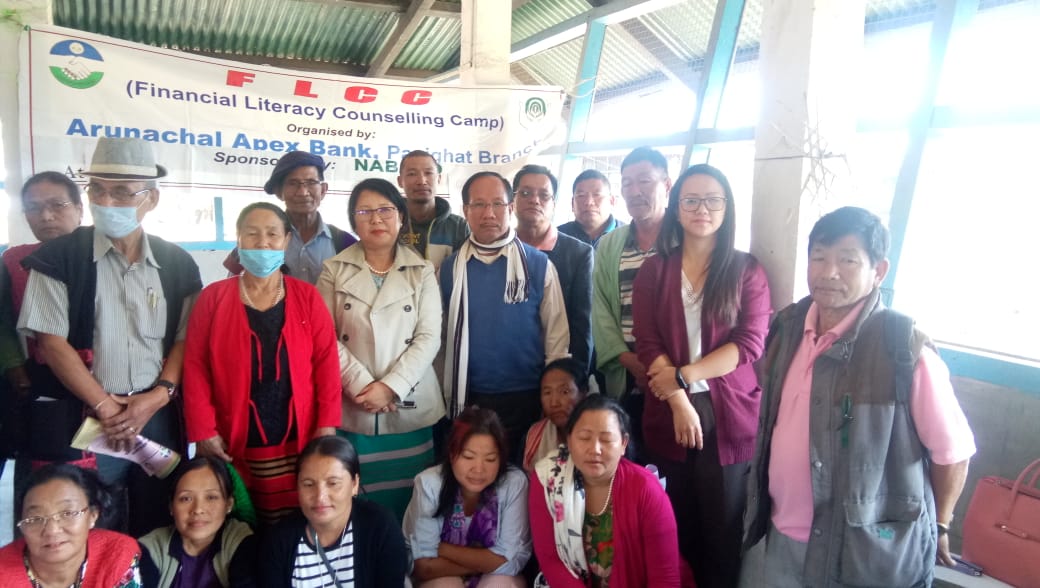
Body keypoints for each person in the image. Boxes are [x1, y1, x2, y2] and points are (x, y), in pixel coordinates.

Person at [739, 207, 976, 587]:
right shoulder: (787, 328)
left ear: (878, 271)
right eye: (819, 258)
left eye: (848, 260)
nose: (829, 272)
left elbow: (953, 453)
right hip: (779, 536)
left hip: (863, 554)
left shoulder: (903, 350)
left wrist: (941, 523)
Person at [18, 137, 203, 535]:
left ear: (151, 199)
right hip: (85, 418)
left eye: (121, 192)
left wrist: (159, 396)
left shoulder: (177, 263)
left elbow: (184, 340)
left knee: (158, 517)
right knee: (87, 520)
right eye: (98, 190)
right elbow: (52, 343)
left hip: (155, 415)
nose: (106, 201)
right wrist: (105, 406)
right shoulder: (58, 258)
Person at [632, 164, 771, 587]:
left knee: (723, 532)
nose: (702, 209)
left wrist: (684, 376)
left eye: (713, 200)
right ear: (676, 208)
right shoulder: (655, 271)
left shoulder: (746, 271)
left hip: (728, 415)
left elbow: (749, 343)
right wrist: (678, 399)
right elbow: (647, 342)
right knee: (673, 525)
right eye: (690, 200)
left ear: (727, 208)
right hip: (668, 410)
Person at [183, 202, 341, 524]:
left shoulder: (308, 297)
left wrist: (326, 424)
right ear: (238, 239)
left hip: (299, 433)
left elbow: (327, 364)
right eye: (252, 234)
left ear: (286, 241)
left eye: (272, 234)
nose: (263, 243)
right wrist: (203, 430)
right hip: (235, 435)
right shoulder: (213, 298)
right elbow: (195, 367)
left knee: (297, 521)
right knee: (245, 520)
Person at [317, 178, 445, 521]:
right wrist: (362, 386)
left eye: (385, 210)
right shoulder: (333, 270)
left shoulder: (422, 271)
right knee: (358, 501)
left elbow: (429, 337)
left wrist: (390, 387)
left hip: (408, 404)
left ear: (400, 216)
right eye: (365, 212)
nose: (376, 219)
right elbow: (324, 338)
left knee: (412, 504)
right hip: (354, 405)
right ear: (353, 220)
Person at [440, 171, 570, 460]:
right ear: (465, 210)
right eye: (479, 204)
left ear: (510, 208)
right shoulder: (450, 270)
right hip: (468, 396)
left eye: (497, 204)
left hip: (527, 396)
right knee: (476, 473)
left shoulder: (538, 265)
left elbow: (557, 339)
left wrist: (552, 396)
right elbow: (442, 339)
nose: (489, 213)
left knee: (523, 474)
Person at [529, 395, 690, 587]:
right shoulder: (548, 479)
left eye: (606, 439)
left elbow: (664, 577)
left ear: (623, 444)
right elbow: (551, 559)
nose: (595, 449)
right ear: (569, 440)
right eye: (584, 438)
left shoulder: (646, 489)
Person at [0, 172, 84, 480]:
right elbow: (2, 321)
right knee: (48, 473)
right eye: (34, 208)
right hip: (43, 380)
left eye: (57, 205)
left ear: (79, 209)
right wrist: (14, 367)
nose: (46, 216)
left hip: (105, 379)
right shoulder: (14, 261)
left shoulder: (103, 256)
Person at [591, 146, 671, 456]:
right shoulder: (610, 244)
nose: (635, 191)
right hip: (626, 375)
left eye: (645, 181)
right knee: (627, 458)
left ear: (667, 185)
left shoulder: (684, 240)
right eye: (627, 183)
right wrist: (628, 360)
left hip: (675, 374)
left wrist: (661, 367)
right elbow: (600, 309)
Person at [403, 407, 531, 587]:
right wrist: (486, 562)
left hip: (496, 578)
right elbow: (424, 567)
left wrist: (443, 548)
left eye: (490, 459)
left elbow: (511, 563)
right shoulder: (429, 484)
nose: (478, 469)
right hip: (439, 578)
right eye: (468, 457)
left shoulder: (514, 483)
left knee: (500, 583)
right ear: (452, 454)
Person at [260, 435, 409, 588]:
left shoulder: (381, 528)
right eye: (308, 484)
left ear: (354, 484)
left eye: (333, 483)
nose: (320, 497)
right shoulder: (279, 541)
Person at [223, 151, 357, 284]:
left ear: (323, 190)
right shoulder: (257, 242)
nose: (303, 192)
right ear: (279, 192)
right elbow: (231, 288)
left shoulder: (344, 243)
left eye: (311, 182)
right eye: (293, 183)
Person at [0, 463, 141, 586]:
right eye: (36, 519)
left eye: (67, 513)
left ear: (93, 515)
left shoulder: (117, 554)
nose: (52, 530)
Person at [514, 165, 594, 375]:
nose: (534, 200)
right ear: (512, 200)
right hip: (511, 371)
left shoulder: (579, 254)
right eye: (525, 193)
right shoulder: (501, 250)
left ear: (554, 204)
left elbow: (582, 326)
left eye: (544, 195)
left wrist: (577, 379)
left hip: (559, 372)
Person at [139, 456, 258, 588]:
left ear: (228, 504)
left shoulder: (240, 541)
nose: (198, 509)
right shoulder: (151, 548)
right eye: (186, 498)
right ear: (171, 506)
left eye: (211, 497)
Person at [397, 150, 470, 274]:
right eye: (412, 174)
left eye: (428, 173)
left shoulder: (458, 227)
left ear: (439, 179)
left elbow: (465, 274)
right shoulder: (390, 224)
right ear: (400, 181)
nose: (421, 181)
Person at [521, 358, 588, 472]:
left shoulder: (601, 435)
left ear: (583, 394)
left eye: (565, 392)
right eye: (547, 393)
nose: (554, 403)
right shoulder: (534, 436)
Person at [558, 169, 624, 248]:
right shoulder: (557, 237)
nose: (589, 202)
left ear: (612, 201)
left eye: (597, 194)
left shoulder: (629, 237)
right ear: (572, 204)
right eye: (581, 195)